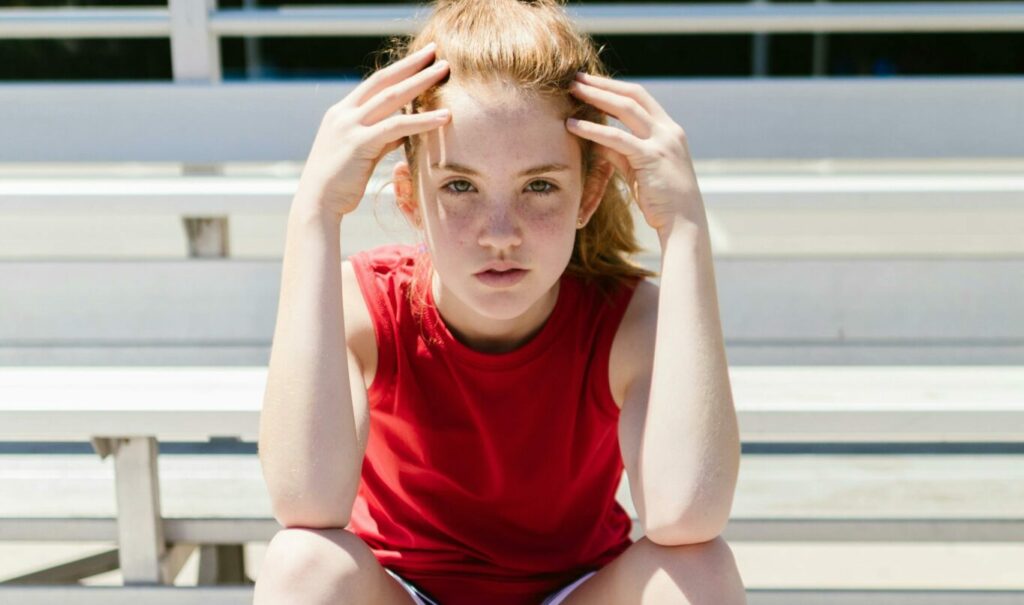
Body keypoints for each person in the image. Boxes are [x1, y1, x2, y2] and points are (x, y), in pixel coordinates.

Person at [254, 1, 745, 603]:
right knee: (301, 563)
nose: (500, 232)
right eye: (460, 185)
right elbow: (304, 501)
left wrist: (685, 227)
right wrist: (314, 213)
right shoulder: (366, 303)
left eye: (540, 186)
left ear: (588, 196)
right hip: (402, 591)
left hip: (575, 591)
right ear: (410, 199)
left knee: (701, 571)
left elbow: (687, 512)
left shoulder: (627, 321)